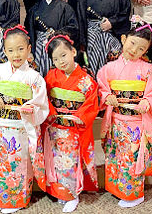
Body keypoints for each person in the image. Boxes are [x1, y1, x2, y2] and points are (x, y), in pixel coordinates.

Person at [97, 16, 152, 208]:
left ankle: (134, 194)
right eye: (132, 43)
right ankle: (117, 190)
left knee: (133, 157)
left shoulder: (148, 69)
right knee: (116, 155)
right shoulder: (109, 68)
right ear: (124, 39)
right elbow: (101, 87)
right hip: (116, 121)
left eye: (141, 48)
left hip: (136, 123)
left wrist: (146, 100)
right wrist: (107, 95)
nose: (135, 50)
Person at [0, 25, 49, 213]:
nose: (16, 54)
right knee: (1, 162)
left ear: (29, 49)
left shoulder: (34, 77)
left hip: (21, 126)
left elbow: (41, 102)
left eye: (20, 49)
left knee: (20, 163)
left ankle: (18, 199)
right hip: (2, 125)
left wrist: (31, 107)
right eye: (10, 50)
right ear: (4, 51)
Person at [43, 33, 99, 213]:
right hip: (55, 126)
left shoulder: (86, 80)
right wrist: (52, 113)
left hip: (74, 128)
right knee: (55, 160)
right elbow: (44, 99)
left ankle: (72, 194)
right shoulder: (51, 77)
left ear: (73, 51)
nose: (61, 61)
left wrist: (78, 116)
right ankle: (59, 191)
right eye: (56, 59)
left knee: (70, 162)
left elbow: (91, 103)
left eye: (64, 55)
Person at [25, 0, 78, 76]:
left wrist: (59, 33)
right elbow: (29, 31)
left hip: (58, 47)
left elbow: (73, 28)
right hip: (39, 48)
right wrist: (29, 51)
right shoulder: (33, 10)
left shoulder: (66, 8)